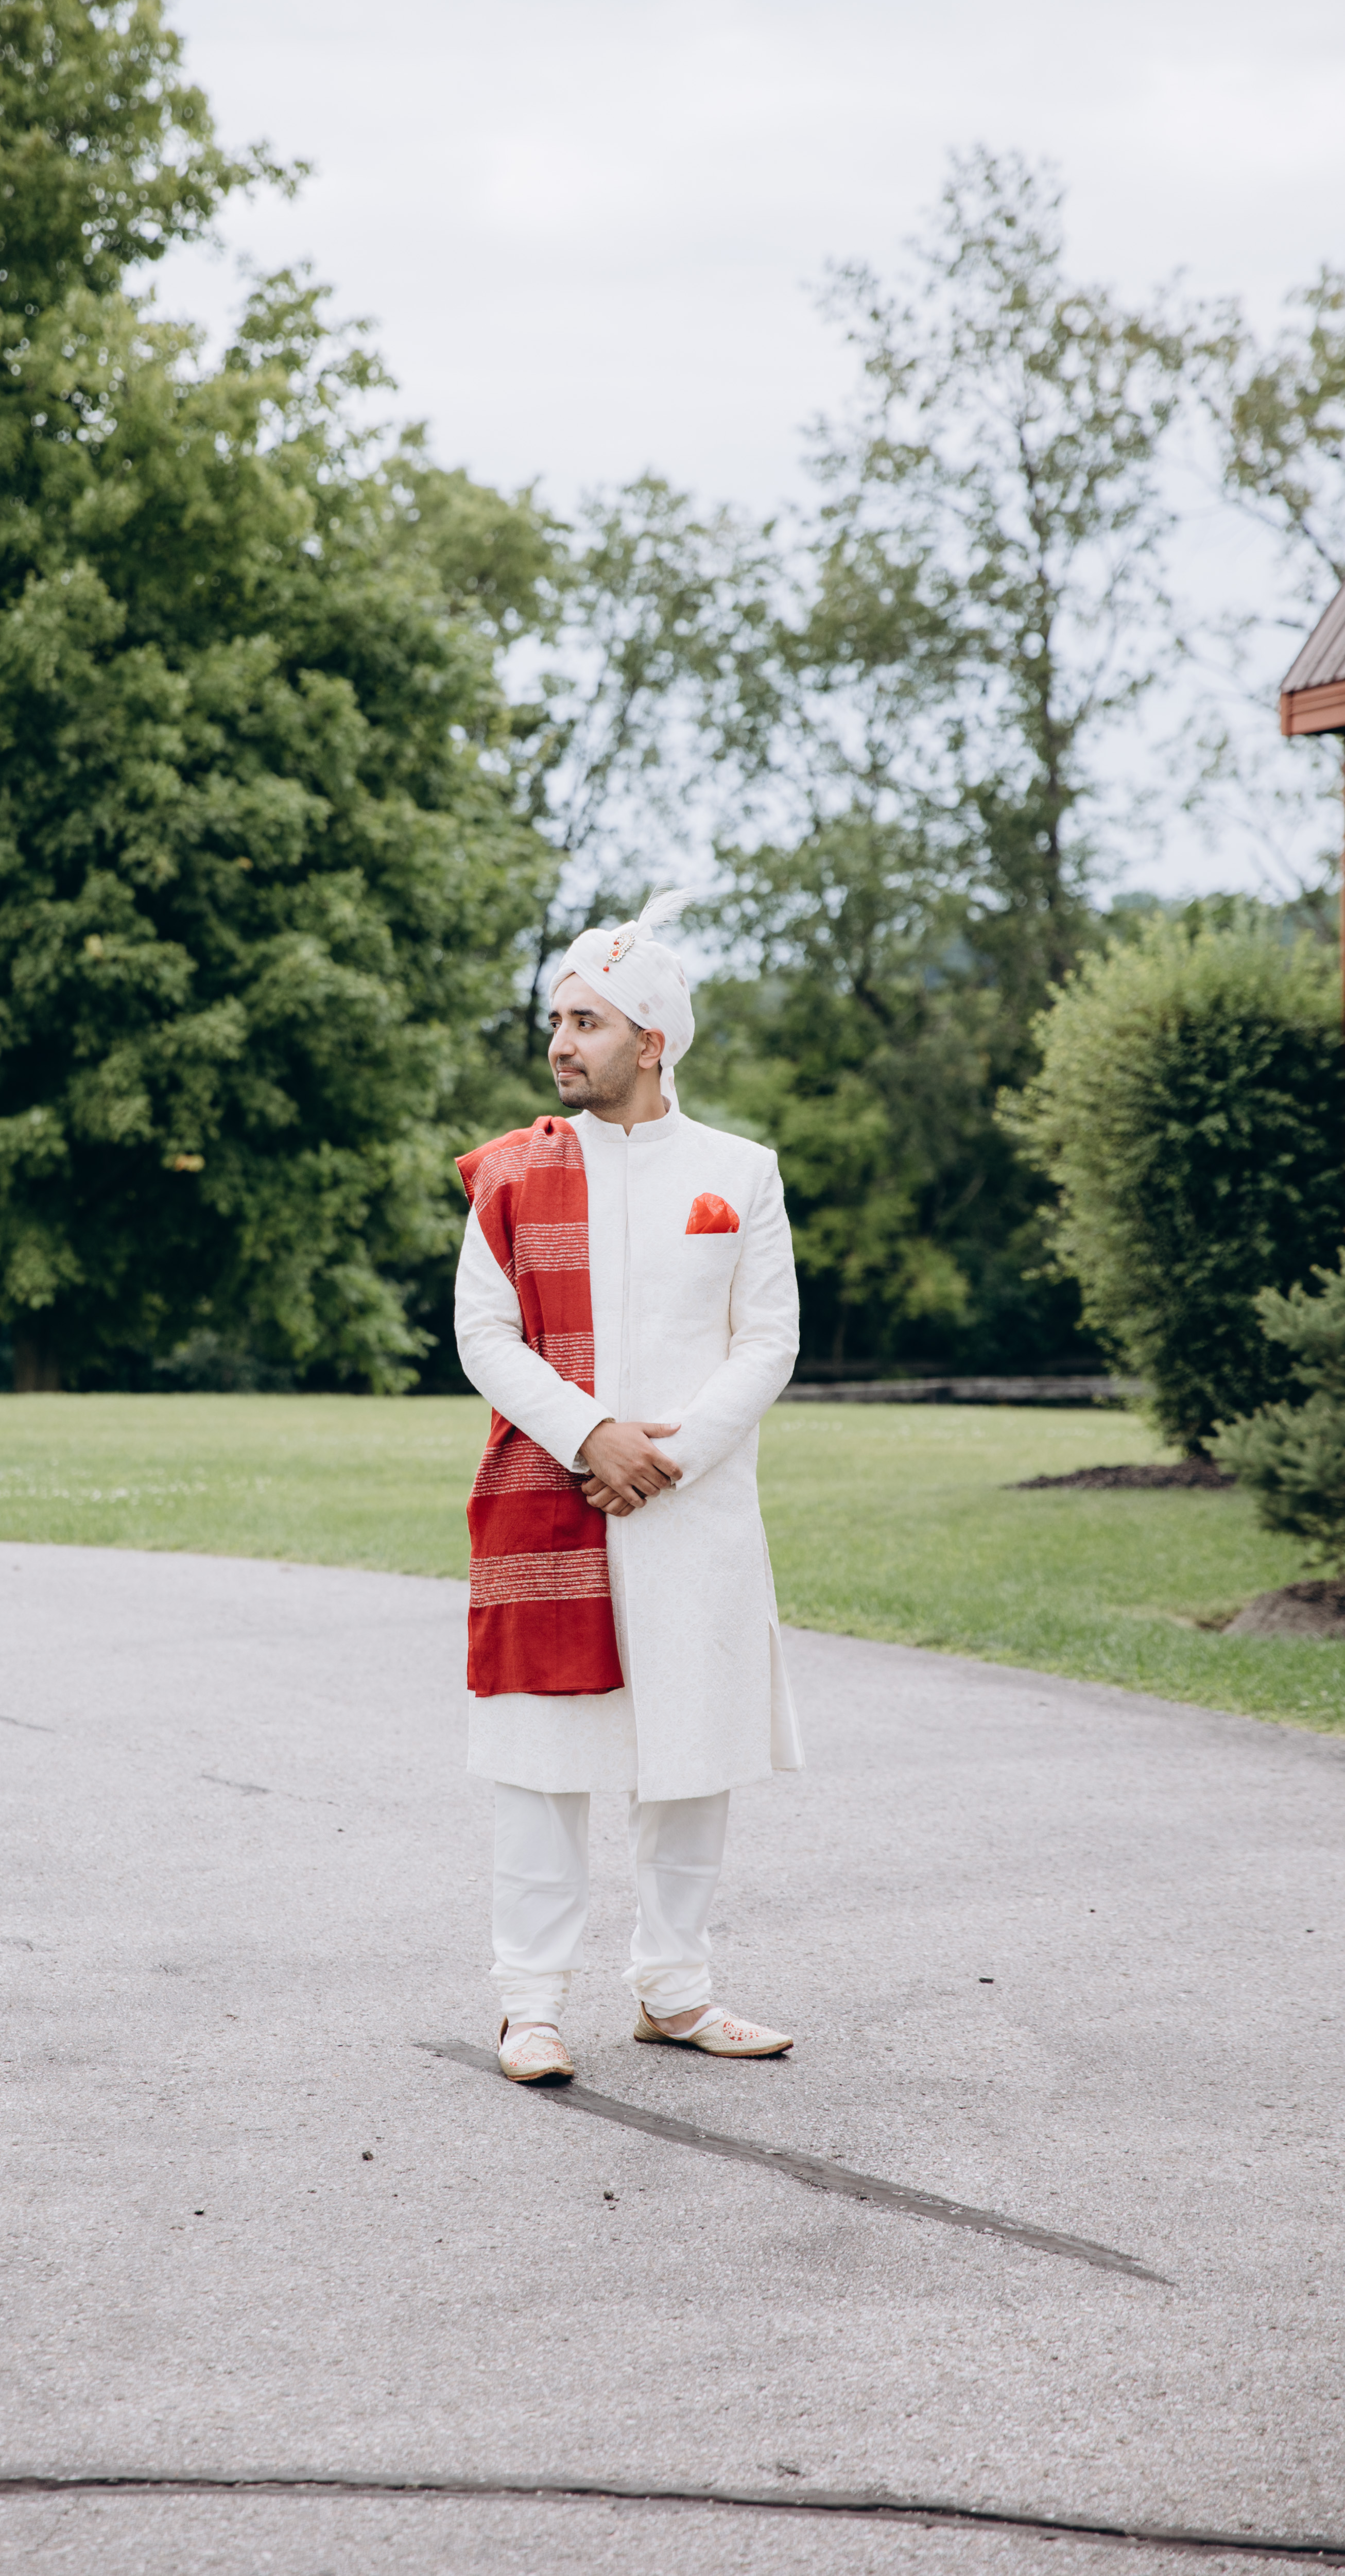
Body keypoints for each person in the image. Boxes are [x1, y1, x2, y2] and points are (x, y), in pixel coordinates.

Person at [453, 891, 803, 2084]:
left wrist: (668, 1456)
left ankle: (674, 1991)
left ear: (651, 1041)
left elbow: (768, 1339)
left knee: (691, 1756)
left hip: (692, 1508)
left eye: (585, 1022)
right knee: (542, 1766)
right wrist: (590, 1436)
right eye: (557, 1018)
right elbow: (483, 1335)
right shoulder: (511, 1175)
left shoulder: (738, 1172)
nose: (559, 1041)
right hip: (553, 1499)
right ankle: (529, 2007)